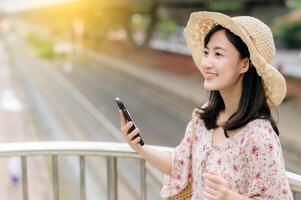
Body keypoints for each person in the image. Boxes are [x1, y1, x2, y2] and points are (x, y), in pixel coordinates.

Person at [119, 11, 293, 199]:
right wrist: (139, 147)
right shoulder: (203, 119)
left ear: (245, 64)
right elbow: (179, 163)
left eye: (218, 54)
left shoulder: (259, 136)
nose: (206, 63)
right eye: (206, 52)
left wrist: (228, 196)